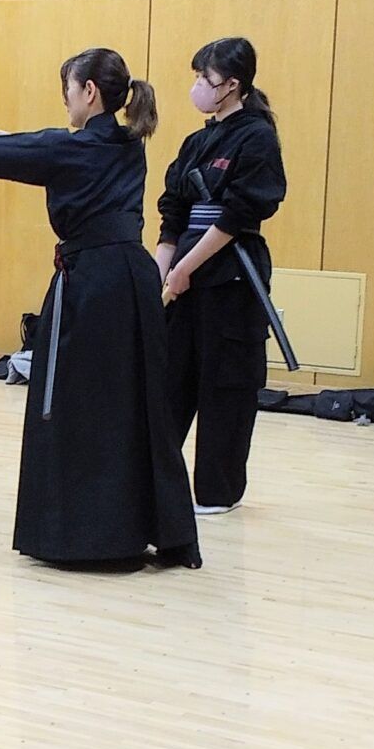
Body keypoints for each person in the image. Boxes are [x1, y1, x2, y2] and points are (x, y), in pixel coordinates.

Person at [0, 49, 199, 570]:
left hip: (92, 287)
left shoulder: (69, 148)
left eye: (68, 88)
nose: (65, 98)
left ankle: (89, 537)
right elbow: (30, 148)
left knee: (77, 405)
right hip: (133, 285)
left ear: (89, 91)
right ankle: (153, 528)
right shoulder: (126, 142)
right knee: (136, 404)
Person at [153, 37, 287, 515]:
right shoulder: (196, 142)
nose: (196, 87)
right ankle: (155, 485)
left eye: (203, 79)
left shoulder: (256, 137)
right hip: (184, 278)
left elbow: (238, 214)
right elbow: (173, 212)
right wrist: (160, 275)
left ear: (231, 85)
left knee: (225, 386)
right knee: (169, 382)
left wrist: (186, 269)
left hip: (231, 276)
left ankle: (217, 492)